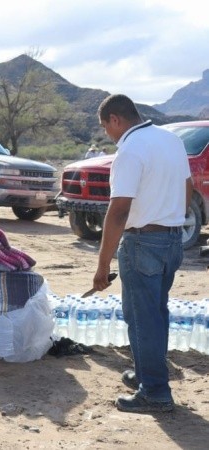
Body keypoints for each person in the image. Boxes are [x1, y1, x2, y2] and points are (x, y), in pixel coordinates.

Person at [92, 94, 192, 414]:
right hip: (172, 239)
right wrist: (171, 217)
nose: (107, 133)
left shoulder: (130, 149)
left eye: (106, 127)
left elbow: (119, 211)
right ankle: (148, 375)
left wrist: (102, 264)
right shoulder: (171, 140)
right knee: (155, 313)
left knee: (142, 318)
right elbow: (187, 186)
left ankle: (155, 392)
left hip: (143, 243)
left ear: (115, 119)